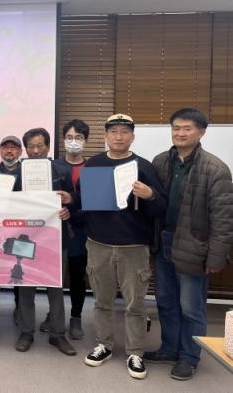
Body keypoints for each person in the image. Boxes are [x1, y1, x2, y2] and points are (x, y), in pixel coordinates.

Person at [145, 108, 233, 380]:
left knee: (191, 307)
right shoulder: (160, 161)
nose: (180, 133)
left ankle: (189, 357)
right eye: (176, 128)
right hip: (164, 240)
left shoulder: (216, 168)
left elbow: (223, 218)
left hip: (195, 246)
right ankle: (169, 348)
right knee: (165, 301)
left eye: (187, 128)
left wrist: (216, 257)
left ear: (202, 132)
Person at [83, 114, 166, 380]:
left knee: (135, 304)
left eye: (124, 132)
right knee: (102, 301)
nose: (119, 136)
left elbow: (161, 207)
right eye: (113, 131)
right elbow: (82, 199)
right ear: (105, 136)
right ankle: (104, 345)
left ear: (132, 136)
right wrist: (68, 199)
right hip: (98, 244)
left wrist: (150, 195)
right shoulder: (94, 164)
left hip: (133, 246)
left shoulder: (143, 166)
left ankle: (136, 352)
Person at [15, 128, 77, 356]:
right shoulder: (18, 173)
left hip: (54, 237)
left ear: (48, 147)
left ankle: (58, 334)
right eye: (31, 146)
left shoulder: (61, 170)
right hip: (24, 235)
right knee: (25, 286)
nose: (35, 151)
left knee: (55, 288)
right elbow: (7, 202)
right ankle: (26, 332)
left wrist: (68, 210)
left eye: (40, 145)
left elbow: (73, 200)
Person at [53, 119, 90, 340]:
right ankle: (53, 314)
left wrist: (74, 209)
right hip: (54, 230)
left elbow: (95, 200)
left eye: (78, 137)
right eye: (69, 137)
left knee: (77, 276)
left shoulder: (92, 168)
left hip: (81, 230)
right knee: (54, 276)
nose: (73, 141)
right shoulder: (53, 166)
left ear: (85, 140)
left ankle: (76, 317)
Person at [0, 135, 23, 320]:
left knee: (19, 267)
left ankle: (20, 308)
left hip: (21, 228)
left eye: (14, 147)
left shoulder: (27, 172)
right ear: (0, 151)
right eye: (5, 147)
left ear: (20, 151)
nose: (9, 151)